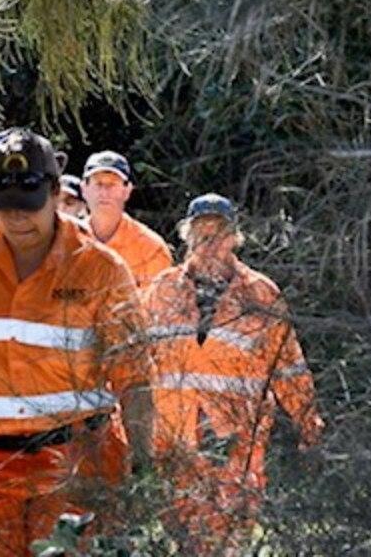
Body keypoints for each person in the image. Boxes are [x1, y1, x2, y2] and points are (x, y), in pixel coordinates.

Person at [0, 127, 148, 556]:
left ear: (56, 194)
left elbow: (135, 379)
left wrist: (144, 466)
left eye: (29, 207)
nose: (17, 220)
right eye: (6, 207)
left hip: (76, 466)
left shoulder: (100, 271)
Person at [142, 193, 322, 554]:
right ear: (186, 236)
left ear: (234, 237)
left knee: (229, 541)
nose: (209, 241)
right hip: (175, 442)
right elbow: (136, 362)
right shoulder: (161, 291)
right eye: (200, 232)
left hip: (237, 444)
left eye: (218, 232)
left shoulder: (260, 294)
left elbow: (288, 367)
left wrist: (309, 427)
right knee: (183, 540)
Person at [82, 150, 172, 289]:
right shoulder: (64, 242)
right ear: (84, 189)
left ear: (127, 190)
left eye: (112, 184)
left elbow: (158, 307)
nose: (104, 192)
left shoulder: (151, 249)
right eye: (98, 184)